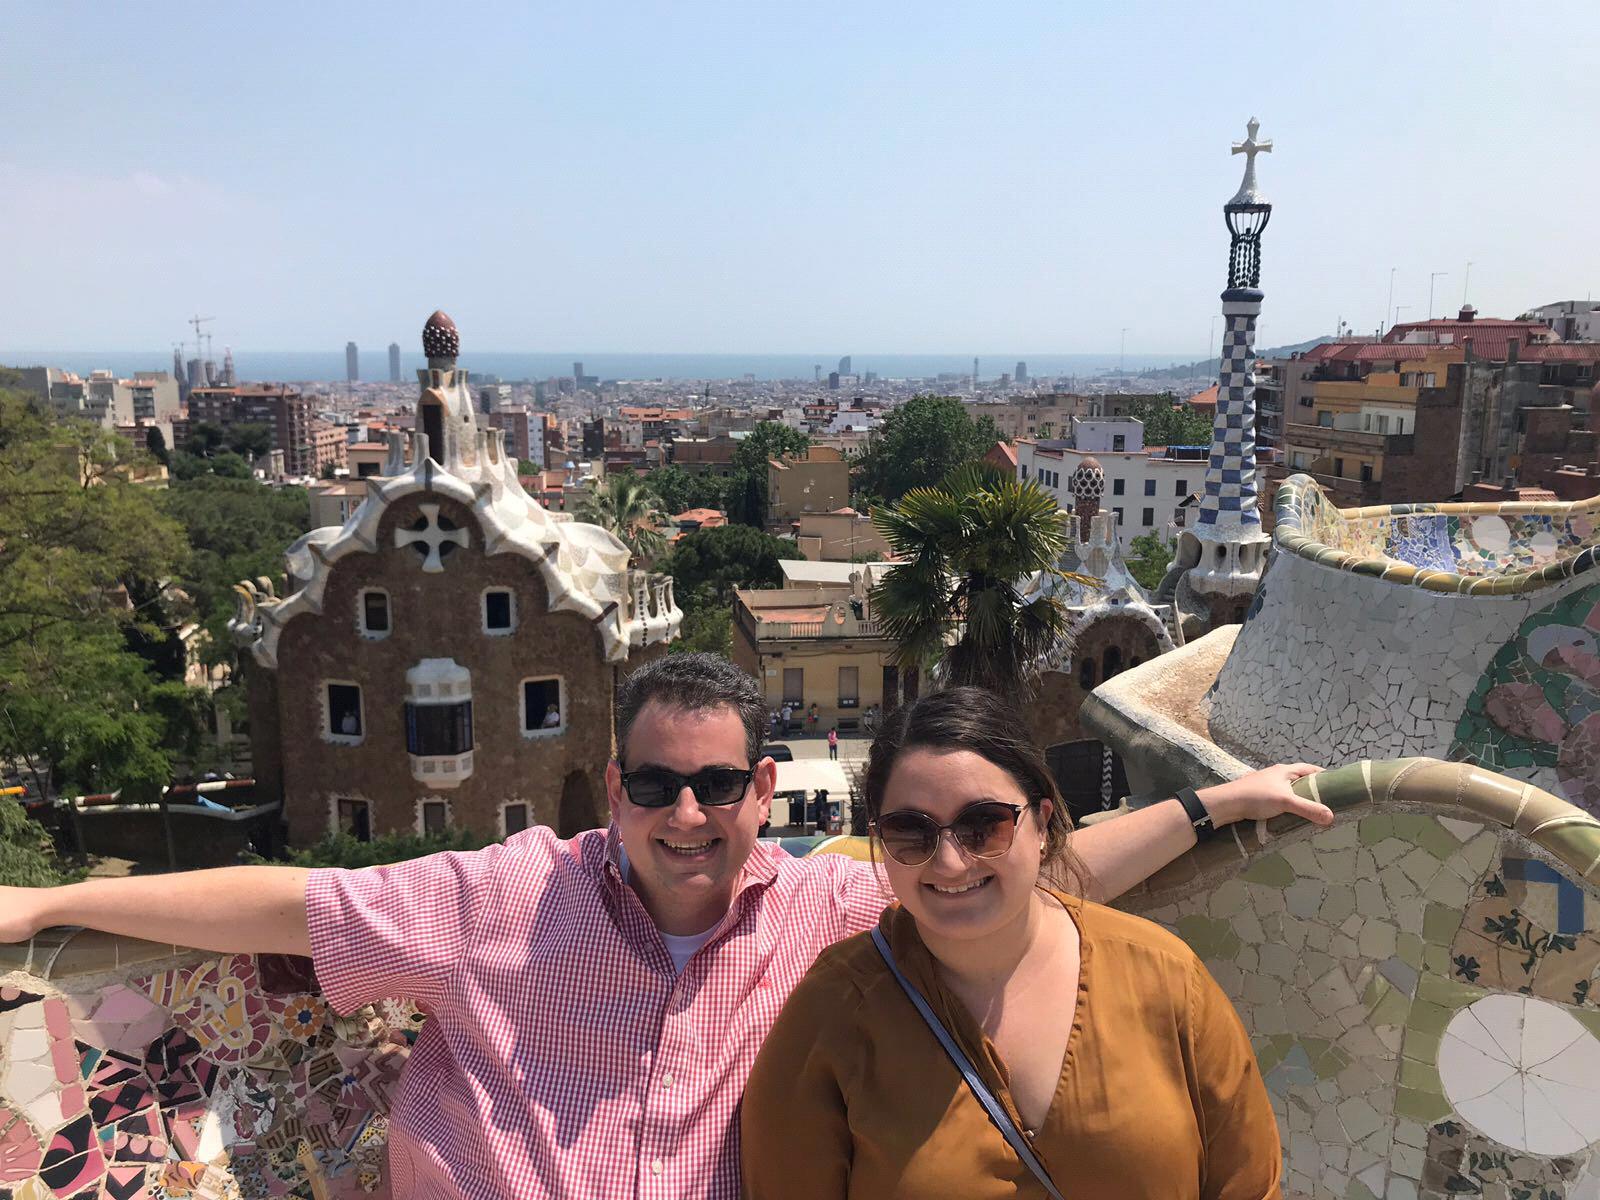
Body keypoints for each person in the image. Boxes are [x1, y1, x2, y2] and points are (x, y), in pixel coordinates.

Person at [0, 654, 1328, 1198]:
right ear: (613, 789)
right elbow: (287, 898)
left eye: (714, 786)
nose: (684, 816)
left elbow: (1013, 871)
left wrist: (1213, 805)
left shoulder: (830, 906)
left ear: (764, 789)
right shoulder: (502, 896)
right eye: (652, 787)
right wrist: (47, 902)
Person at [742, 688, 1289, 1199]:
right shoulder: (833, 1012)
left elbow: (1248, 1183)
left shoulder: (1163, 977)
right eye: (911, 832)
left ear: (1042, 825)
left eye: (984, 826)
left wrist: (1221, 803)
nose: (950, 862)